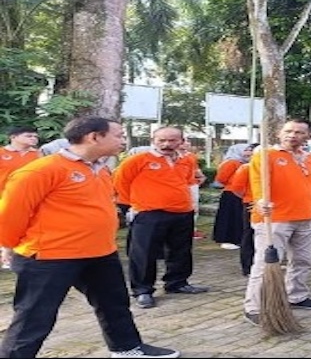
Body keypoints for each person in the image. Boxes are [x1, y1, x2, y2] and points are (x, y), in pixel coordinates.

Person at [0, 116, 180, 358]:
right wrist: (8, 246)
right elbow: (11, 213)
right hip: (50, 256)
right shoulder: (41, 170)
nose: (123, 140)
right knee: (34, 316)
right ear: (94, 137)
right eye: (118, 135)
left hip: (100, 252)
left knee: (114, 304)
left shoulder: (100, 169)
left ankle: (126, 348)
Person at [244, 118, 311, 326]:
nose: (292, 135)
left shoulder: (308, 158)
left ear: (307, 136)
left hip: (306, 216)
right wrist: (261, 201)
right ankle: (253, 307)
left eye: (299, 132)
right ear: (279, 133)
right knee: (265, 265)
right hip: (275, 219)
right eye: (288, 131)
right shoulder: (265, 155)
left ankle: (296, 296)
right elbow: (257, 182)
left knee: (303, 260)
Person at [114, 127, 209, 310]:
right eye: (162, 140)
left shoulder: (187, 159)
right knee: (144, 253)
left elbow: (189, 181)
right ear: (153, 140)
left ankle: (177, 283)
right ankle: (143, 290)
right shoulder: (137, 160)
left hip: (182, 212)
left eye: (172, 140)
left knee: (181, 250)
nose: (166, 144)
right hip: (149, 213)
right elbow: (120, 183)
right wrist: (133, 205)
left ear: (181, 141)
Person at [0, 126, 41, 269]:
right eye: (28, 136)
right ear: (13, 137)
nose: (33, 138)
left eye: (35, 136)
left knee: (24, 226)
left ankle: (15, 256)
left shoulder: (38, 155)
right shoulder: (2, 153)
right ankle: (5, 255)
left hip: (31, 198)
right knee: (5, 226)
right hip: (4, 196)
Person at [211, 143, 254, 250]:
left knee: (237, 218)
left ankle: (236, 238)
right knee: (229, 217)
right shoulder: (232, 162)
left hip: (239, 193)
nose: (247, 152)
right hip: (231, 193)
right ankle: (227, 239)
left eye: (249, 150)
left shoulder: (244, 163)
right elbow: (221, 178)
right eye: (245, 149)